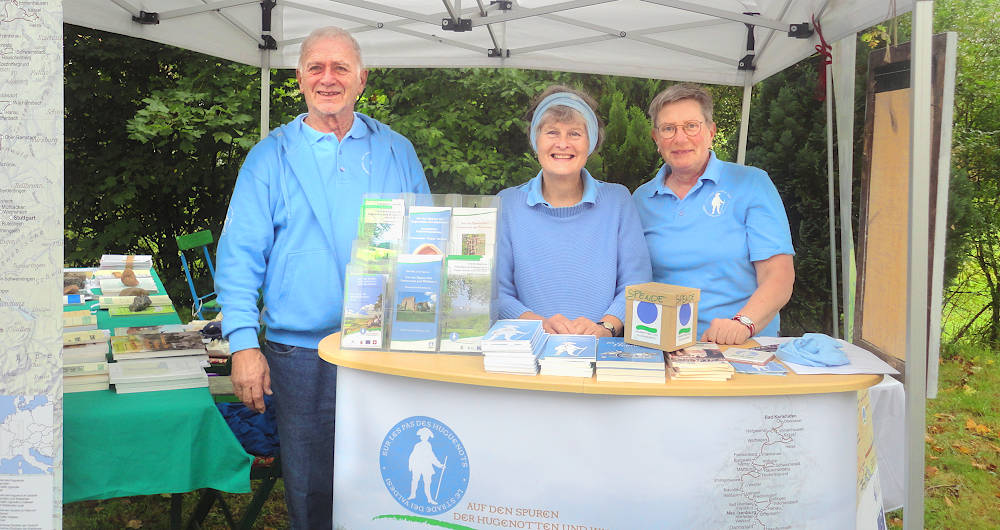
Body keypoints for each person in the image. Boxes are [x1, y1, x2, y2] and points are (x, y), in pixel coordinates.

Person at [215, 26, 429, 529]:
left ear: (361, 79)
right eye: (316, 67)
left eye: (340, 68)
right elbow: (239, 255)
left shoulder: (397, 150)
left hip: (384, 348)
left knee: (386, 479)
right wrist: (244, 345)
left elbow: (426, 246)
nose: (327, 78)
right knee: (311, 487)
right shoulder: (269, 156)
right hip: (299, 353)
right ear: (299, 78)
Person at [632, 83, 794, 345]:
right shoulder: (641, 199)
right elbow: (631, 276)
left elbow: (779, 275)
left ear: (711, 131)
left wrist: (742, 323)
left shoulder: (751, 184)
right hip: (663, 346)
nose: (680, 138)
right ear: (656, 138)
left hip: (740, 346)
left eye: (691, 126)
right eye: (669, 129)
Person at [496, 85, 652, 338]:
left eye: (575, 133)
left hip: (602, 351)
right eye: (552, 132)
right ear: (535, 141)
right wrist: (538, 324)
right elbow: (495, 291)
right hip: (527, 350)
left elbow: (636, 284)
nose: (563, 143)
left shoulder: (618, 200)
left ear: (591, 143)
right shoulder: (507, 204)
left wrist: (605, 327)